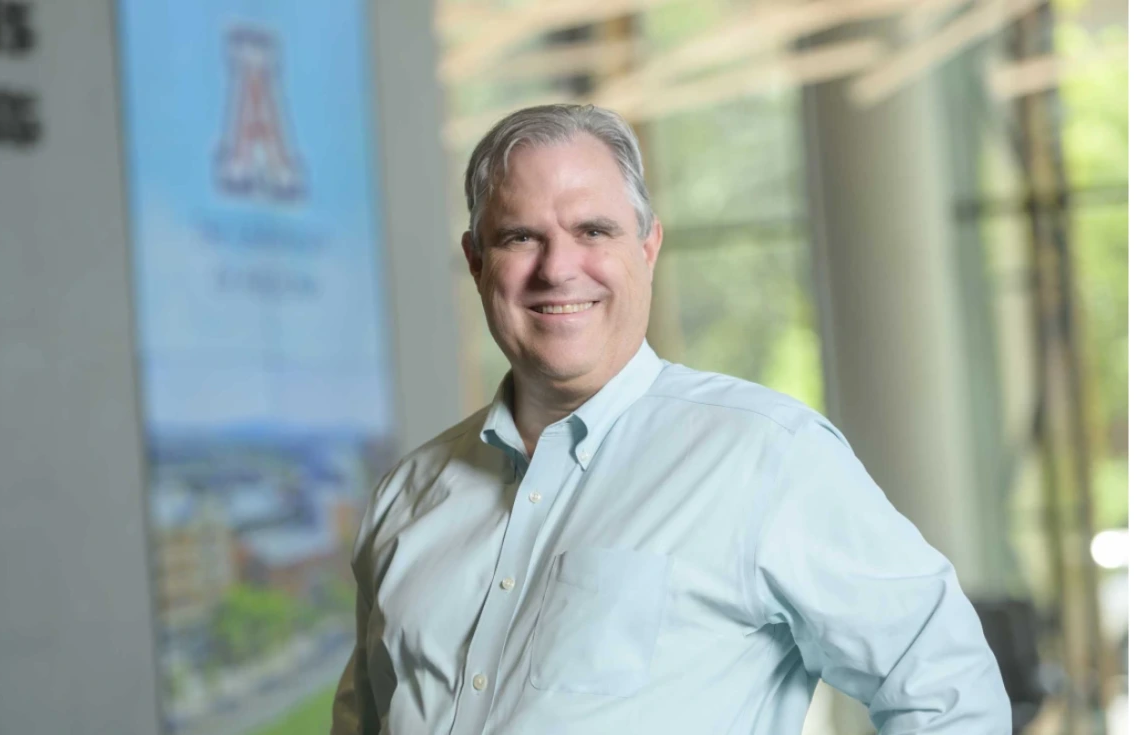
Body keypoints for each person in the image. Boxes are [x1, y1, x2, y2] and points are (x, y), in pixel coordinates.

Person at [331, 103, 1010, 734]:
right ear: (477, 262)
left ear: (649, 247)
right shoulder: (408, 494)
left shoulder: (766, 457)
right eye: (520, 238)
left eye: (592, 230)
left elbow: (948, 691)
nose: (558, 268)